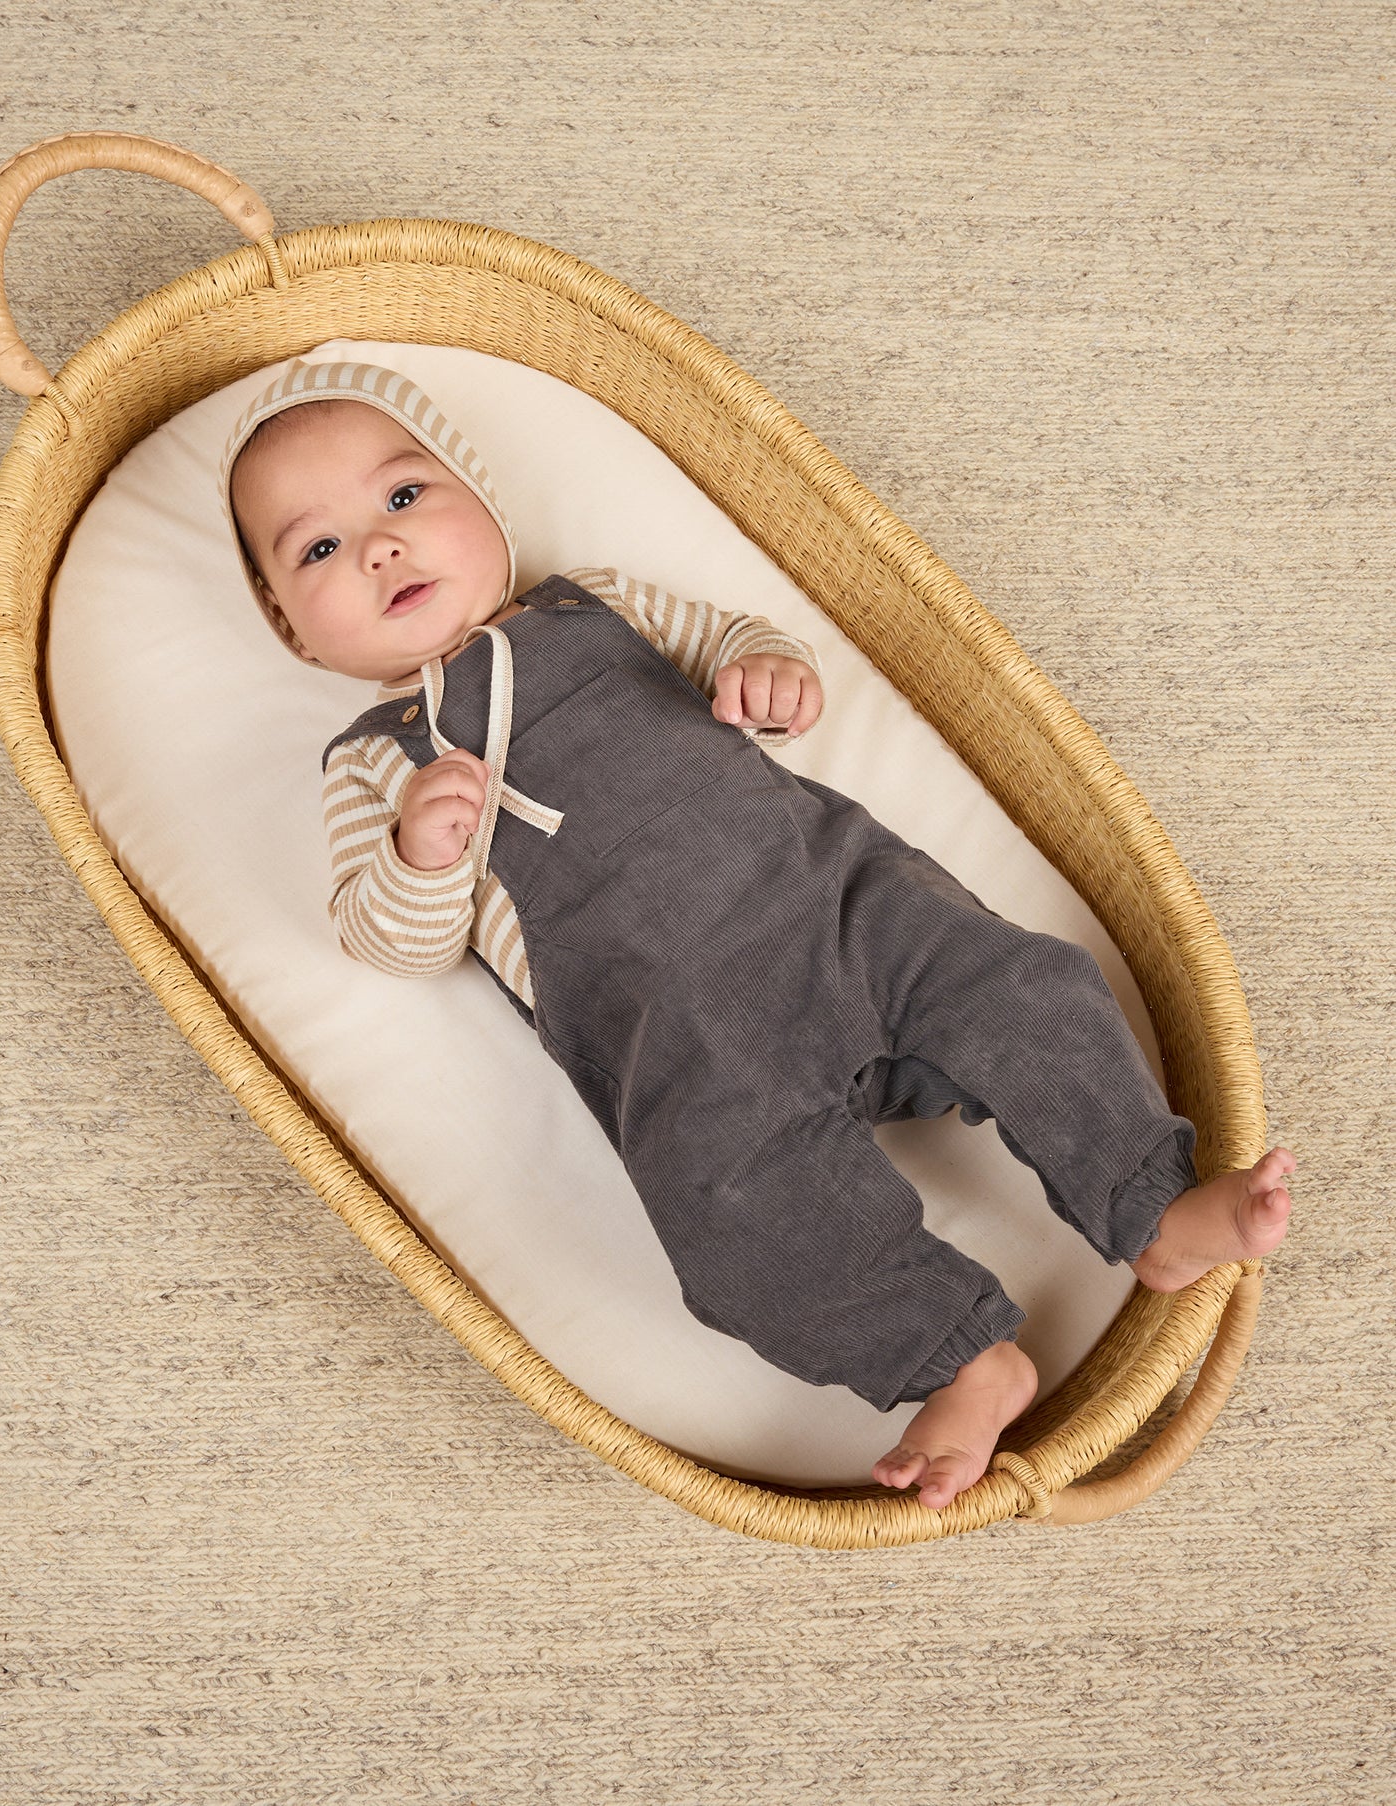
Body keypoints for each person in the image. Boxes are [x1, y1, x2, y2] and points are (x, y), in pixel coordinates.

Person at [221, 360, 1295, 1510]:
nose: (378, 548)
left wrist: (763, 672)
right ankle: (958, 1356)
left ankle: (1151, 1203)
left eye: (401, 498)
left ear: (481, 502)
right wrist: (417, 858)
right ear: (291, 630)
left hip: (844, 911)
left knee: (1026, 987)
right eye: (317, 550)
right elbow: (388, 941)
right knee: (732, 1227)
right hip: (687, 1045)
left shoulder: (600, 607)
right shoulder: (377, 762)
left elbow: (732, 637)